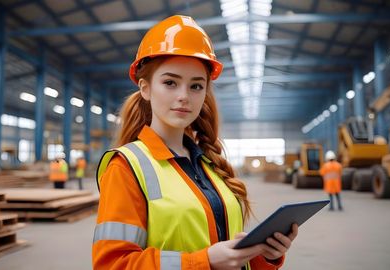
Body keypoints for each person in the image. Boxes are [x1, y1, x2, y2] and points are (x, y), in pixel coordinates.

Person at [92, 15, 298, 270]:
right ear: (145, 88)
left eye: (196, 86)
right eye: (170, 82)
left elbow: (226, 250)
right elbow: (112, 265)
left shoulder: (209, 164)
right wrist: (205, 261)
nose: (184, 96)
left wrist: (262, 256)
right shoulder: (126, 167)